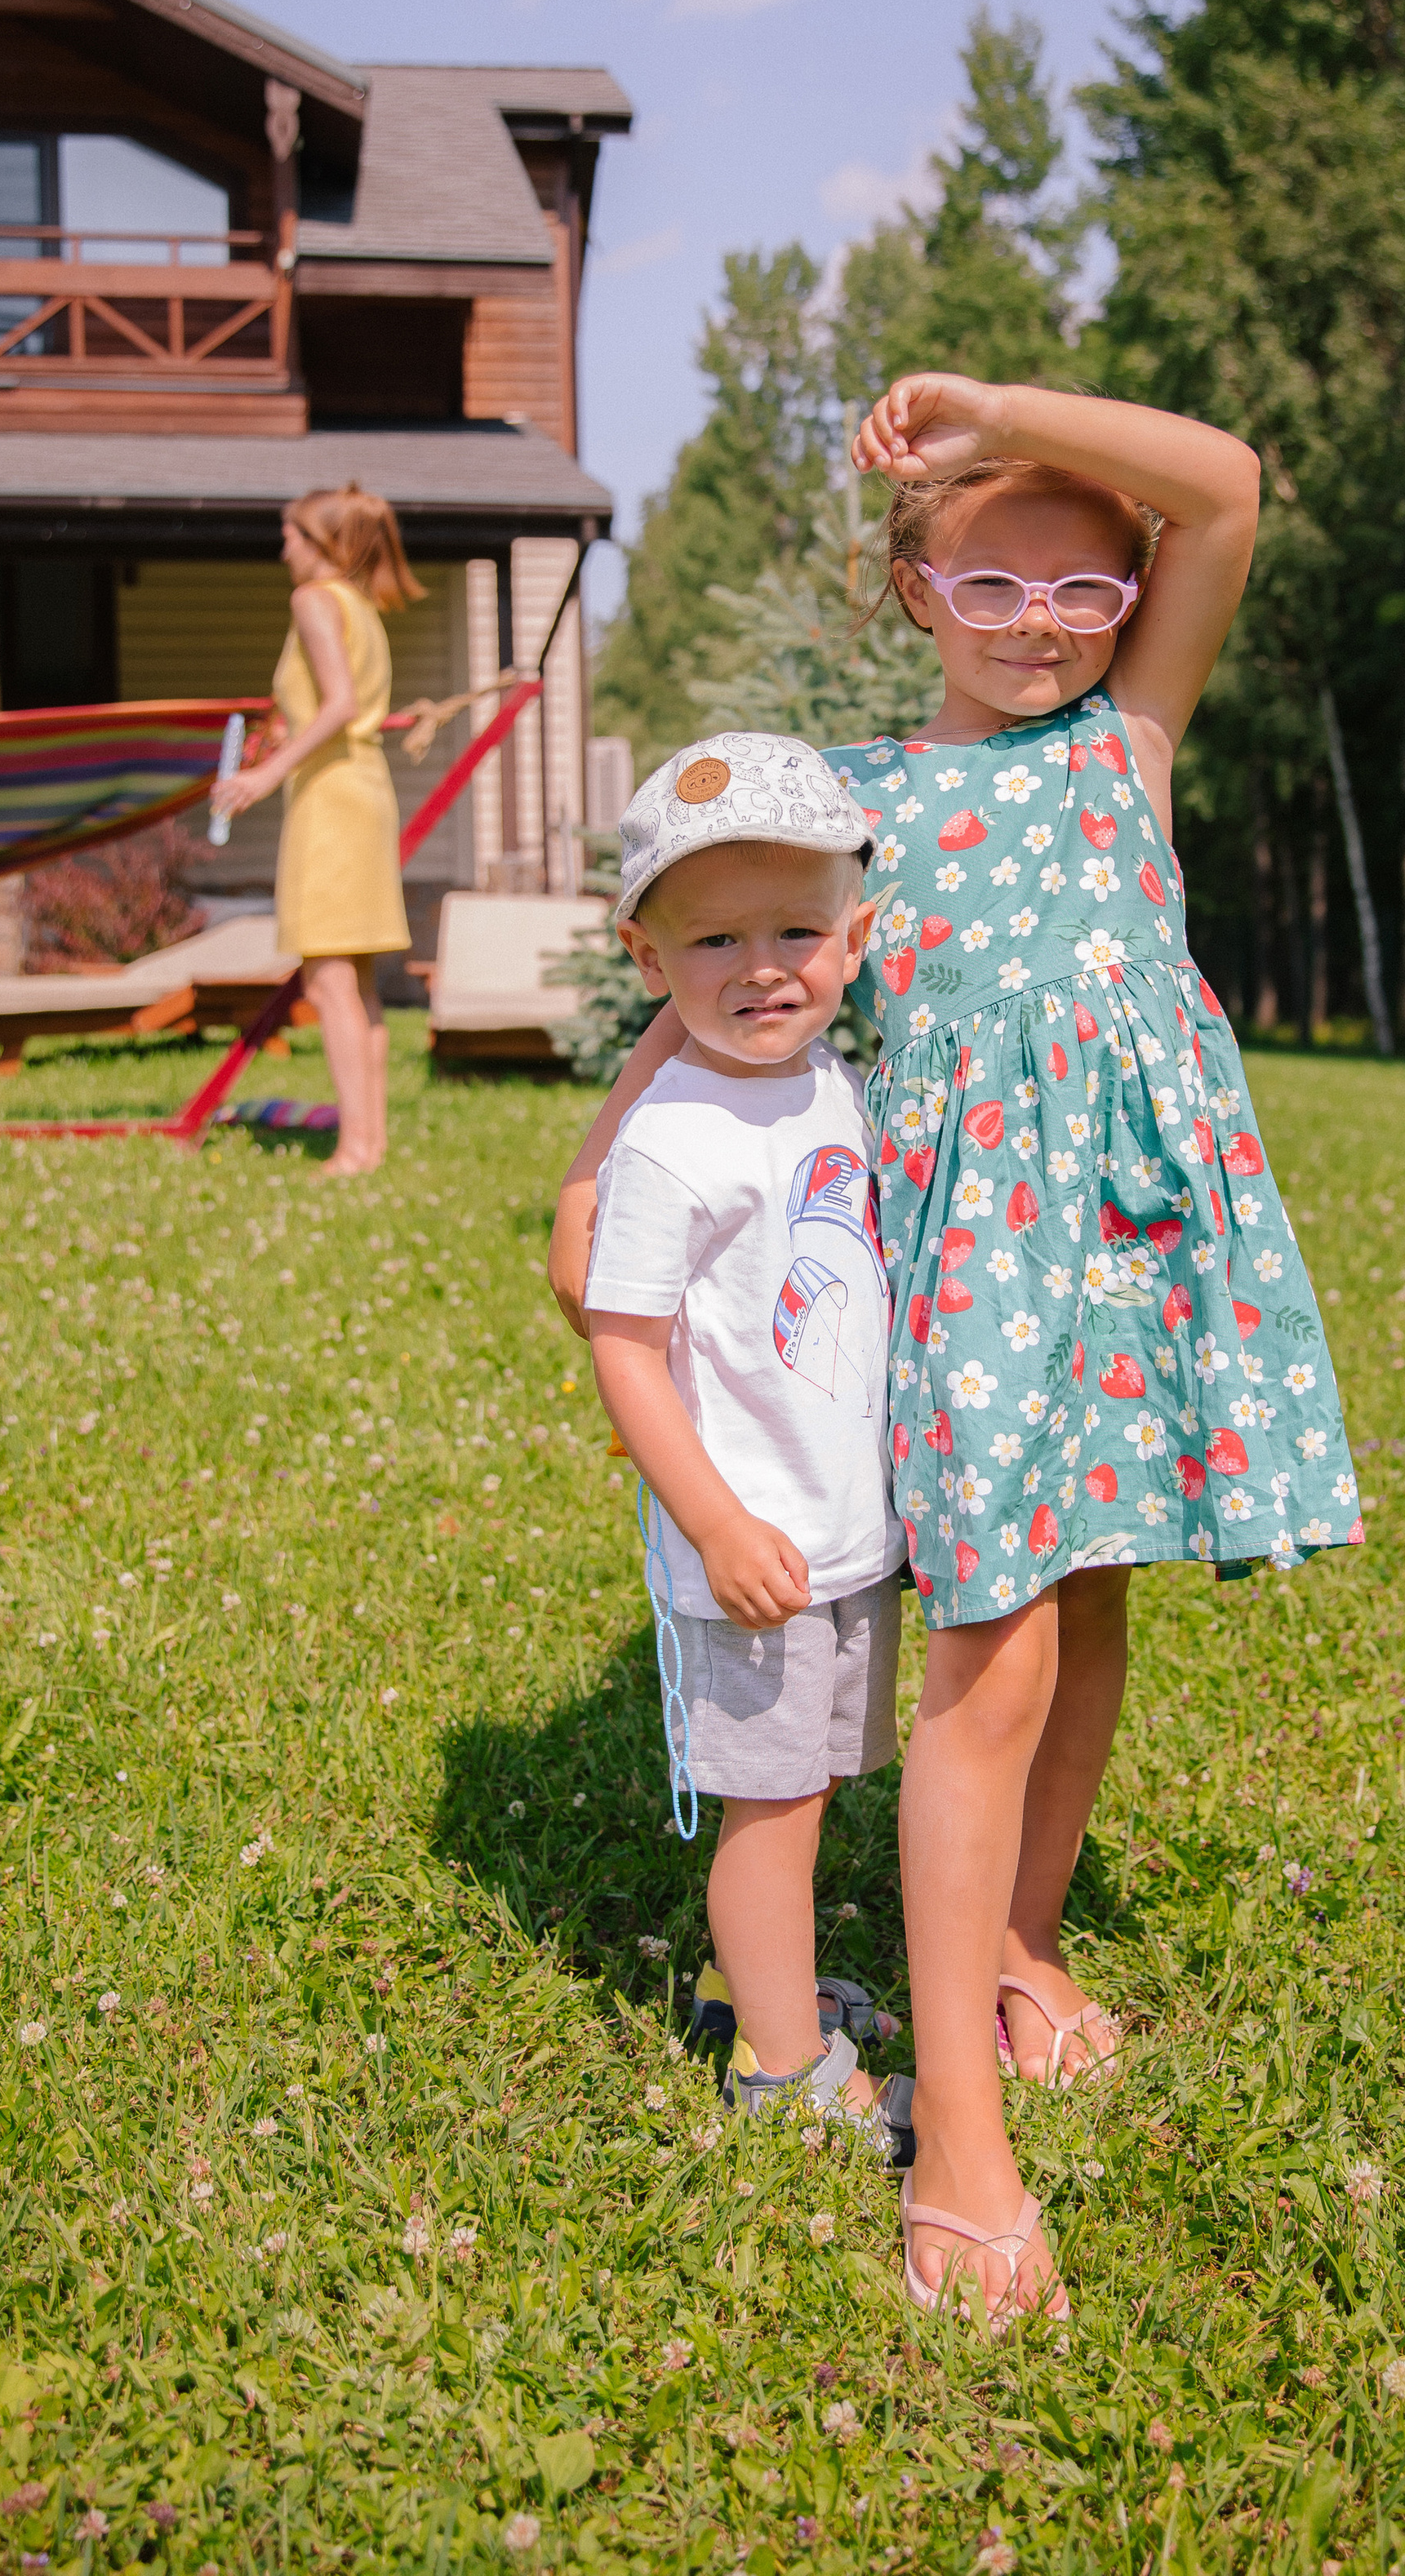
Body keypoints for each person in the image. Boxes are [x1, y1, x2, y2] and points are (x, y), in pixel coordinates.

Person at [552, 375, 1359, 2325]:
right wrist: (588, 1184)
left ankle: (1011, 1940)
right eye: (988, 582)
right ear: (912, 590)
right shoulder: (848, 812)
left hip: (1129, 1265)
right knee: (985, 1671)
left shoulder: (1122, 749)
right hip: (968, 1281)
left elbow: (1225, 491)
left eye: (1083, 590)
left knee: (1086, 1615)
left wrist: (994, 409)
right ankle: (962, 2149)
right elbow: (699, 990)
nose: (1036, 623)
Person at [581, 731, 912, 2158]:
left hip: (841, 1533)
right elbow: (624, 1347)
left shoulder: (831, 1083)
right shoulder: (675, 1137)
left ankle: (755, 1985)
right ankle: (784, 2070)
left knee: (809, 1792)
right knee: (768, 1815)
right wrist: (714, 1524)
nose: (762, 967)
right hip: (752, 1546)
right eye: (716, 938)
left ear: (856, 938)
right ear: (648, 957)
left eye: (796, 931)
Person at [211, 486, 420, 1179]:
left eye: (292, 534)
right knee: (355, 980)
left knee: (328, 981)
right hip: (364, 787)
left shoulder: (313, 600)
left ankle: (354, 1150)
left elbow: (338, 705)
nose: (283, 549)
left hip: (331, 798)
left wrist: (263, 775)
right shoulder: (361, 607)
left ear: (324, 542)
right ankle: (370, 1144)